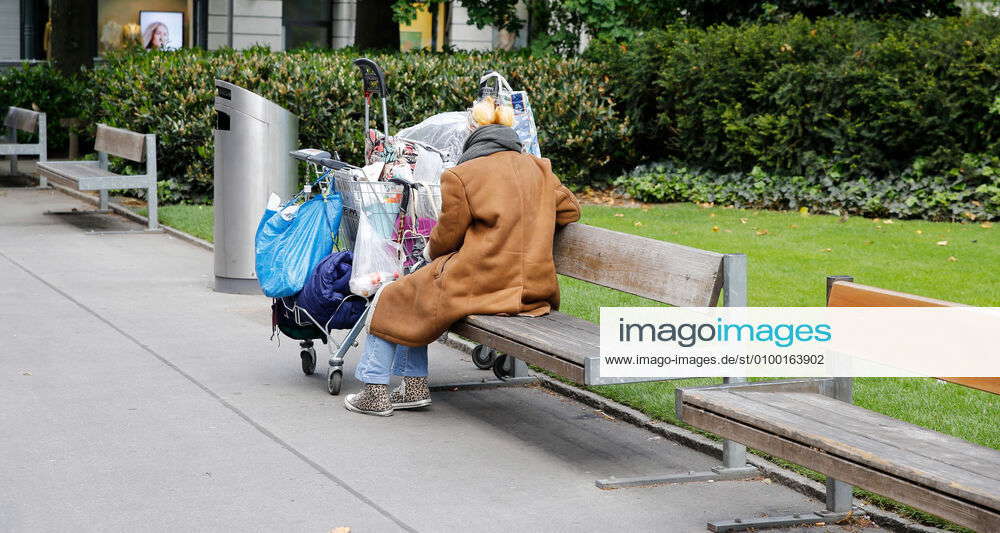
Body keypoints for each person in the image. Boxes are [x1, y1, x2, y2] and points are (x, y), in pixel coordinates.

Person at [344, 124, 581, 416]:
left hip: (482, 284)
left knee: (391, 295)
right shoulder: (541, 170)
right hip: (533, 291)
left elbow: (448, 237)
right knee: (412, 293)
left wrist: (430, 252)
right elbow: (571, 210)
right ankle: (412, 388)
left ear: (475, 147)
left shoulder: (463, 175)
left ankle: (374, 391)